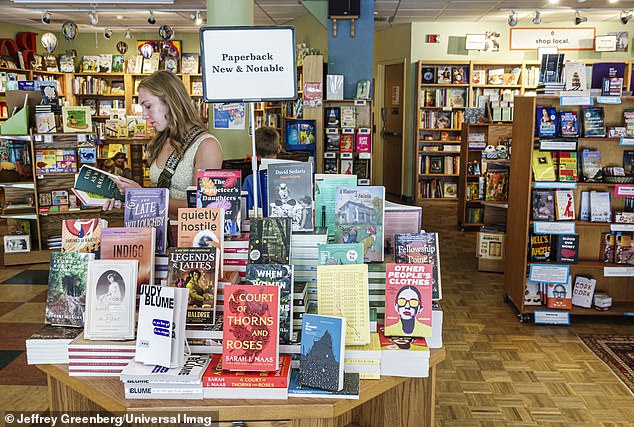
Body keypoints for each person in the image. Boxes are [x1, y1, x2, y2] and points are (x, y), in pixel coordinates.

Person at [103, 71, 222, 218]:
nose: (144, 115)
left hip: (186, 237)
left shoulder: (206, 145)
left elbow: (202, 208)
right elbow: (160, 192)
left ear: (169, 101)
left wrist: (143, 196)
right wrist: (127, 199)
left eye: (148, 106)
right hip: (159, 234)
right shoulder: (162, 140)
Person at [242, 126, 282, 216]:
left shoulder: (250, 180)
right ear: (279, 148)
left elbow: (247, 212)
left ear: (256, 153)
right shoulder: (290, 176)